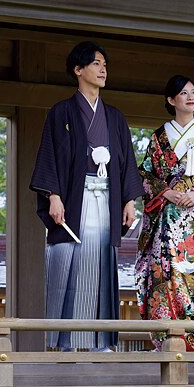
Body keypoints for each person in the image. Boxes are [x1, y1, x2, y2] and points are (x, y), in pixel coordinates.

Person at [29, 41, 143, 351]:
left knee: (102, 264)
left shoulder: (115, 118)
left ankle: (101, 342)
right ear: (78, 70)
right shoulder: (61, 112)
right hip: (74, 201)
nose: (103, 69)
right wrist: (53, 195)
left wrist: (129, 200)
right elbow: (50, 156)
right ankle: (63, 341)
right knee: (68, 263)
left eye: (104, 64)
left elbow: (126, 160)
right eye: (95, 63)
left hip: (106, 199)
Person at [135, 75, 194, 352]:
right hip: (166, 220)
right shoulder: (158, 137)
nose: (190, 97)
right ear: (171, 100)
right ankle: (169, 340)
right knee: (167, 275)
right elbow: (147, 174)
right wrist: (166, 193)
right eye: (183, 93)